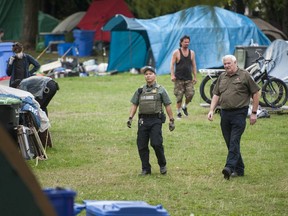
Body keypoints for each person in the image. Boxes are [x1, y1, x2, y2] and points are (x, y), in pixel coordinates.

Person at [207, 55, 260, 180]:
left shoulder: (245, 75)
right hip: (224, 113)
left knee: (234, 141)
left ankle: (229, 168)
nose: (226, 66)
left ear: (235, 63)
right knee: (230, 142)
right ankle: (240, 169)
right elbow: (216, 94)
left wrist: (254, 112)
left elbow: (256, 92)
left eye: (229, 63)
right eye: (225, 64)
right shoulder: (222, 77)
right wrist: (211, 110)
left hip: (239, 113)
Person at [127, 66, 175, 176]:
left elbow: (167, 105)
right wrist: (130, 118)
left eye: (150, 73)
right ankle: (145, 169)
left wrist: (171, 120)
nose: (148, 75)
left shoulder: (161, 90)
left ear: (155, 75)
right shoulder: (140, 90)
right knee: (142, 145)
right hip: (143, 120)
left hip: (155, 120)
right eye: (146, 74)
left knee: (156, 143)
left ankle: (162, 165)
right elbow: (135, 104)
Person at [170, 35, 197, 119]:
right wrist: (172, 75)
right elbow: (172, 64)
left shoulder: (192, 53)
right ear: (181, 42)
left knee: (190, 94)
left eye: (188, 42)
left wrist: (195, 77)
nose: (187, 43)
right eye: (185, 42)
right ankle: (178, 113)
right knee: (179, 96)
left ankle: (184, 106)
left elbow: (194, 65)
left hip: (188, 78)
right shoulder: (176, 52)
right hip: (179, 79)